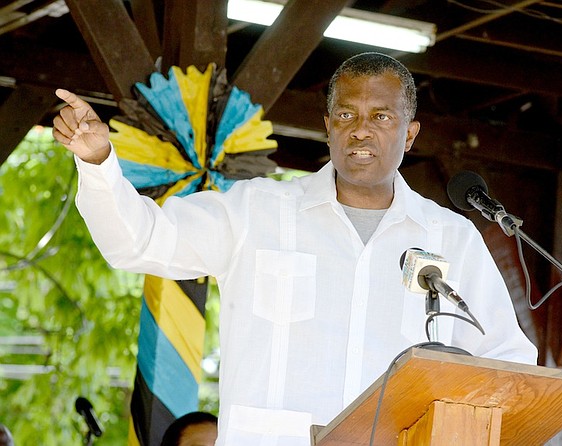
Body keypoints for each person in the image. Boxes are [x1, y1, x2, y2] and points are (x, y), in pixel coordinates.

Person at [53, 52, 537, 445]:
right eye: (346, 114)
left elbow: (507, 362)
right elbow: (140, 241)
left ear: (409, 134)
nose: (360, 130)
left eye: (381, 117)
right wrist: (99, 163)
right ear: (327, 126)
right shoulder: (257, 211)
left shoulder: (449, 237)